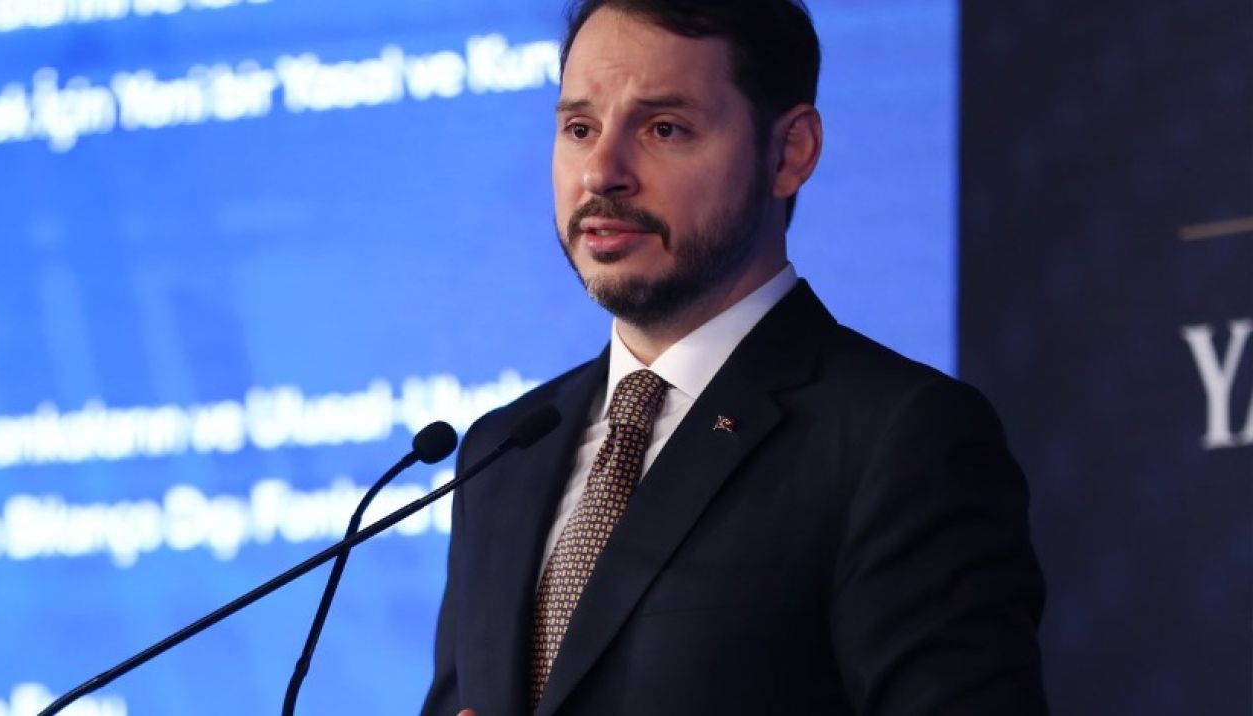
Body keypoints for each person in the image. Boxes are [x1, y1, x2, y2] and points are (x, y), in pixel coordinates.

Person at [423, 1, 1047, 714]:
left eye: (664, 128)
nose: (601, 173)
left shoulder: (901, 438)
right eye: (579, 129)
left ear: (789, 153)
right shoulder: (504, 451)